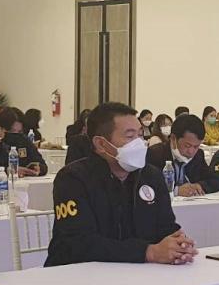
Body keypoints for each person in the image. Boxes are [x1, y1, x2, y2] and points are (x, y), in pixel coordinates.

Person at [44, 102, 196, 266]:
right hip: (78, 273)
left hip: (140, 272)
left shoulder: (151, 176)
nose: (139, 143)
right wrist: (147, 252)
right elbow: (79, 243)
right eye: (130, 137)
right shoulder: (72, 179)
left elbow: (166, 227)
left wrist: (178, 244)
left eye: (140, 135)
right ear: (101, 144)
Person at [147, 114, 219, 196]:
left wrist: (200, 185)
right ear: (173, 139)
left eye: (196, 146)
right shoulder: (155, 154)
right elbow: (148, 185)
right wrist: (175, 191)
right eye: (187, 146)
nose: (191, 152)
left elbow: (215, 180)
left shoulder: (198, 155)